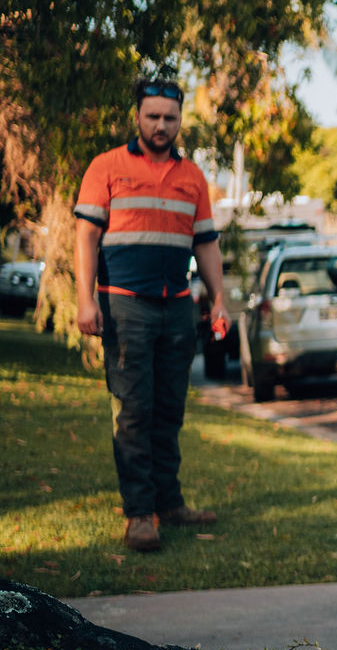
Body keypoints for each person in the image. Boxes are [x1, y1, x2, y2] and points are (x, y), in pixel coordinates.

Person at [74, 79, 225, 552]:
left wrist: (219, 298)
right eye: (152, 116)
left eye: (170, 118)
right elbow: (86, 237)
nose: (161, 125)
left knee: (168, 411)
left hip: (177, 306)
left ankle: (170, 502)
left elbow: (206, 243)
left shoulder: (193, 177)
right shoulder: (107, 166)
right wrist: (85, 299)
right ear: (137, 117)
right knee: (134, 412)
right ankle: (140, 514)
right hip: (124, 305)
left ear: (180, 121)